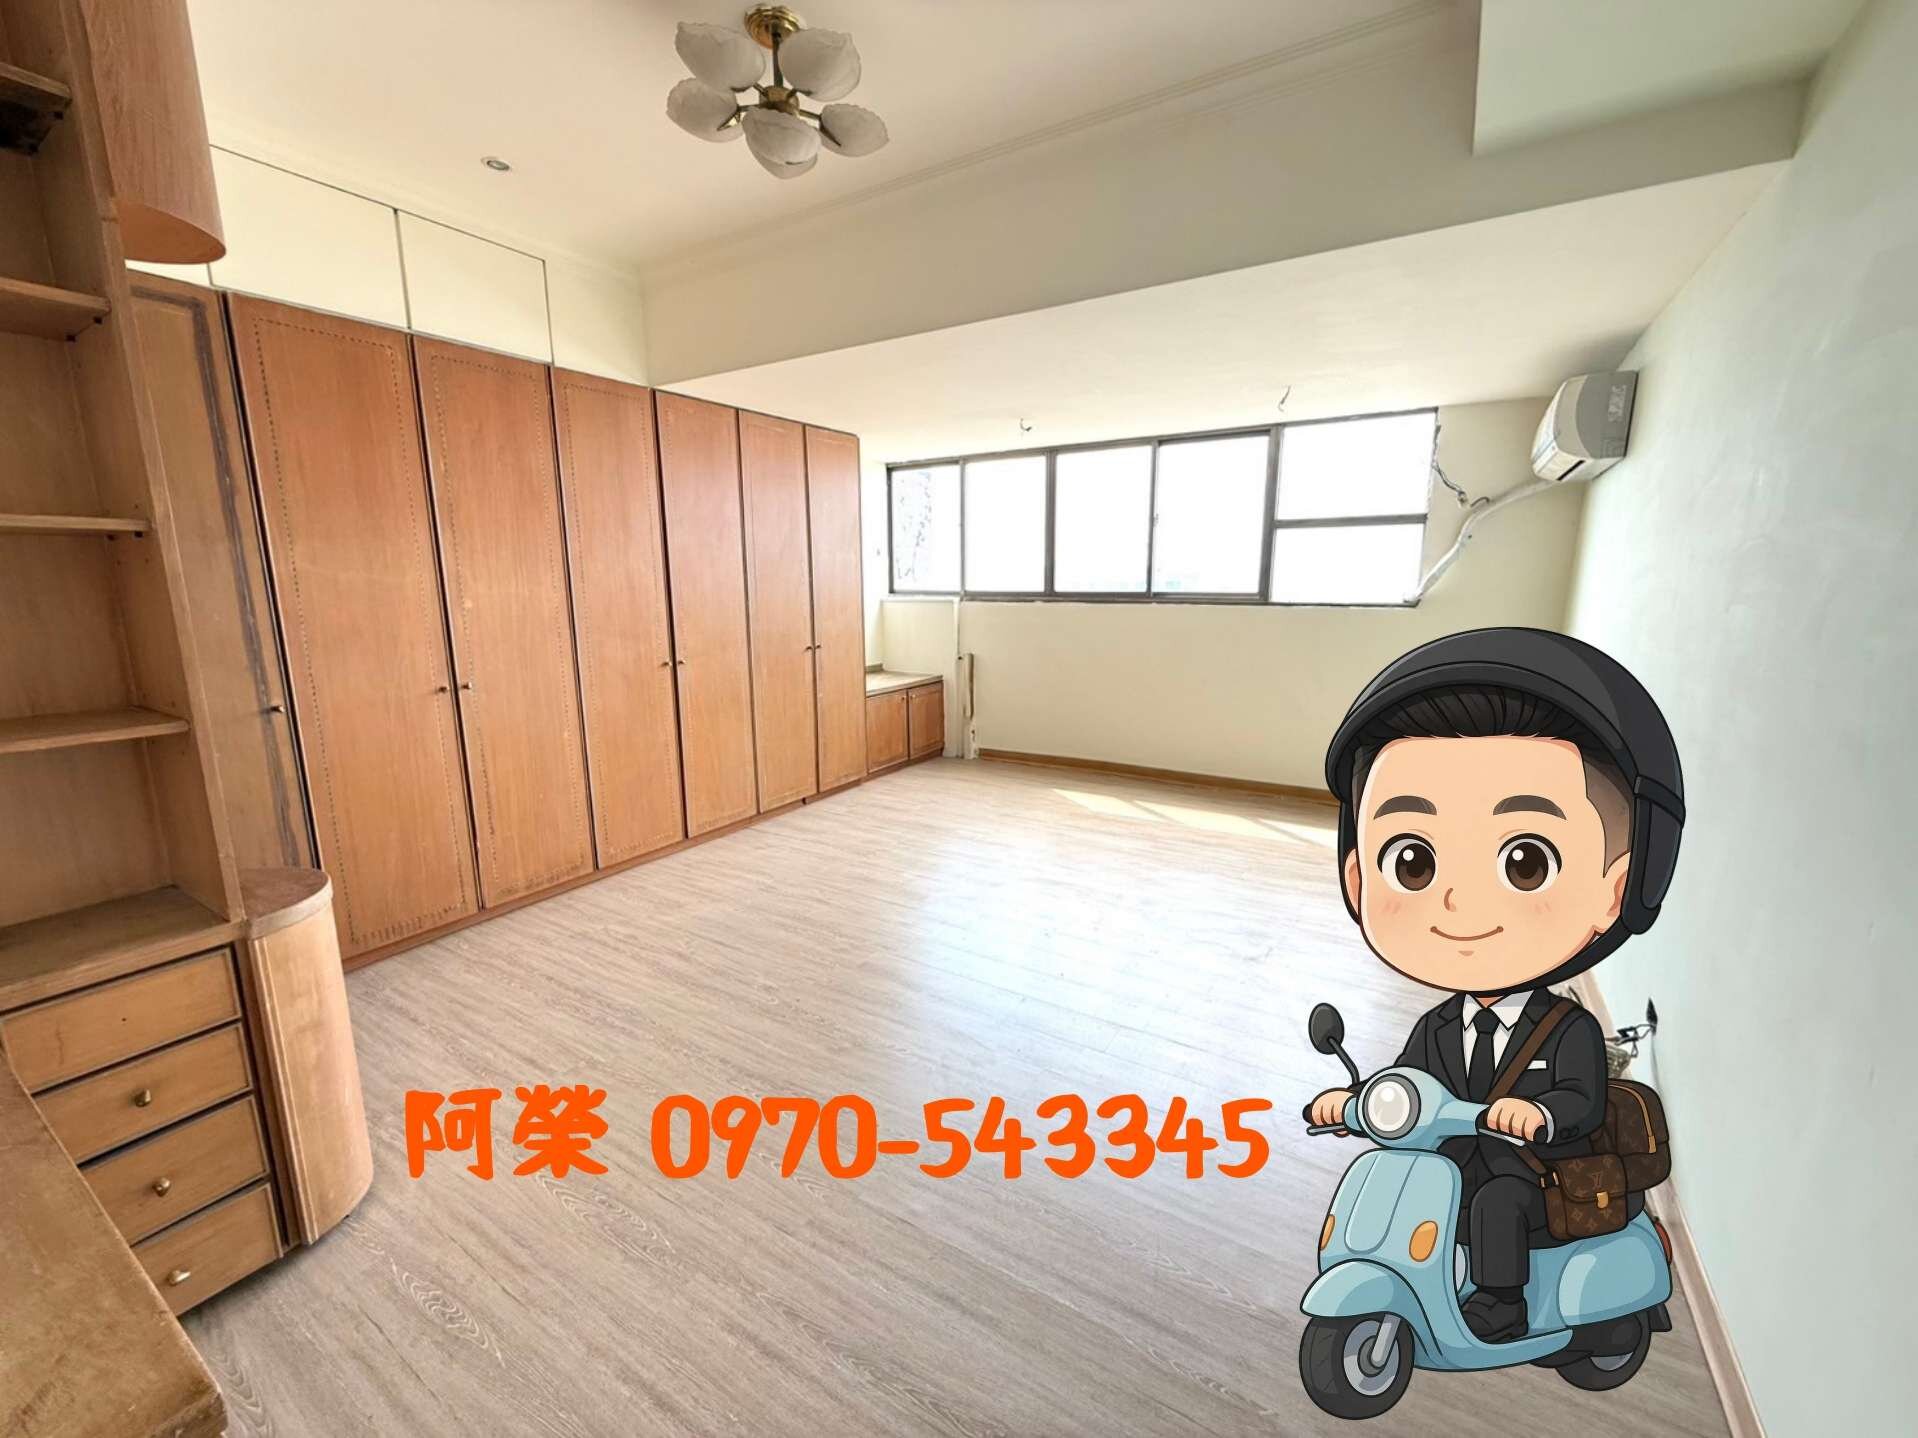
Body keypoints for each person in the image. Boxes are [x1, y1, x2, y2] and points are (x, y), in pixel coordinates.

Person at [1308, 628, 1684, 1343]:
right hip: (1458, 1158)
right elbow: (1410, 1082)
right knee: (1426, 1188)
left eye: (1525, 863)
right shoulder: (1438, 1027)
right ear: (1357, 877)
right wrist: (1355, 1102)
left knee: (1495, 1203)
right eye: (1414, 862)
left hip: (1536, 1168)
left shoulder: (1568, 1029)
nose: (1458, 904)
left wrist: (1536, 1114)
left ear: (1619, 889)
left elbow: (1581, 1100)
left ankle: (1501, 1304)